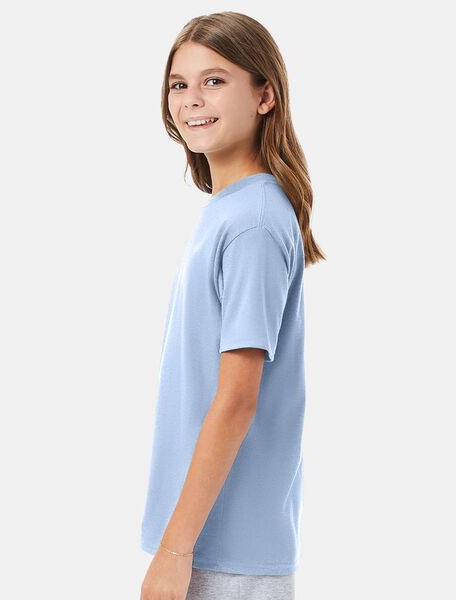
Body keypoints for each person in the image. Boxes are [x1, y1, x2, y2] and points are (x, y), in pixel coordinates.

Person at [139, 11, 325, 600]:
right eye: (179, 83)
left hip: (223, 555)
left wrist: (175, 552)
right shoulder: (231, 211)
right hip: (205, 542)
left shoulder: (253, 221)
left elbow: (238, 400)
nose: (192, 99)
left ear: (265, 96)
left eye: (214, 81)